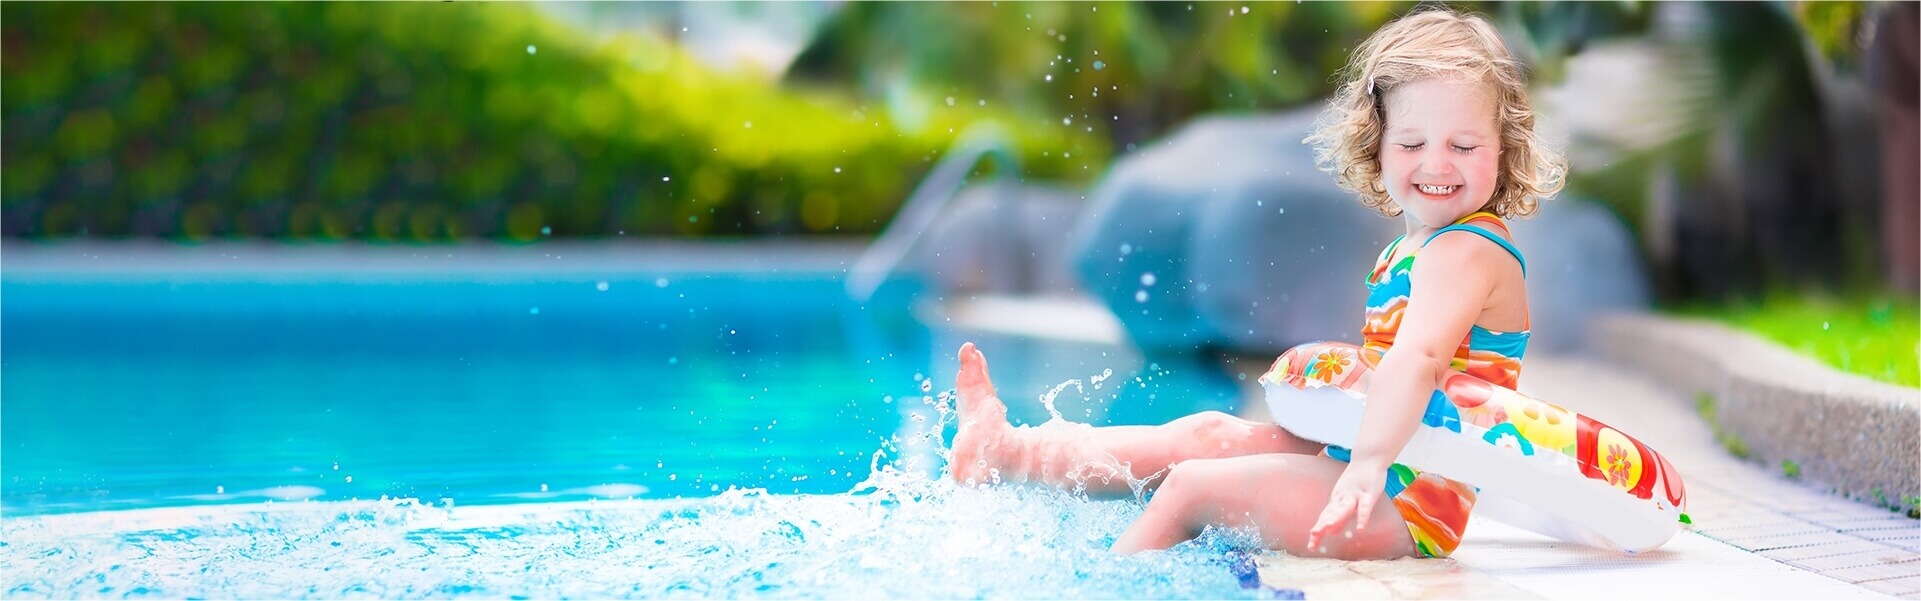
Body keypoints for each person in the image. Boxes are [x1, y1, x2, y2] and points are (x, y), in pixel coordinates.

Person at [946, 5, 1567, 560]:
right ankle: (1009, 453)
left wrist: (1368, 465)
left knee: (1193, 487)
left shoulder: (1467, 250)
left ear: (1505, 148)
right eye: (1412, 142)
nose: (1436, 164)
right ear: (1377, 143)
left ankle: (1105, 580)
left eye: (1464, 145)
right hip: (1368, 459)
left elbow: (1417, 361)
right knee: (1203, 434)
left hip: (1407, 500)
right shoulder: (1413, 247)